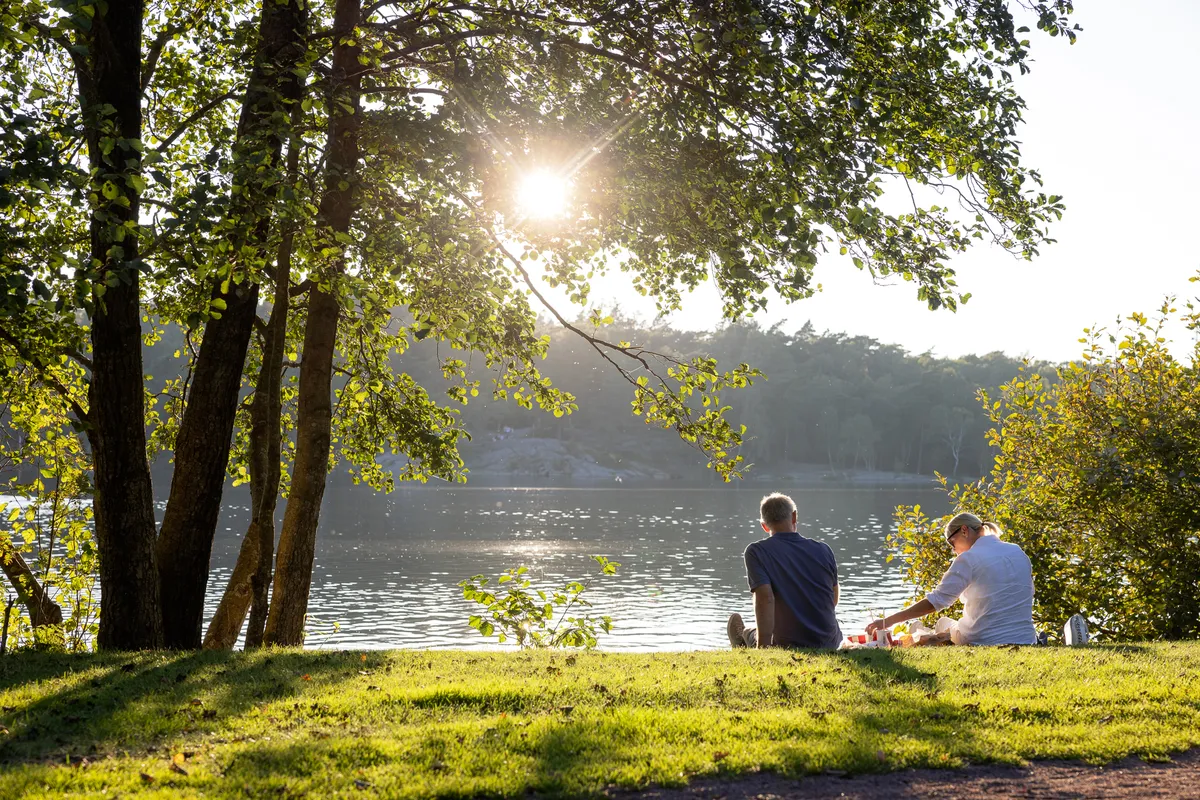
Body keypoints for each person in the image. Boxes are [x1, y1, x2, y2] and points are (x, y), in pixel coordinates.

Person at [866, 512, 1037, 646]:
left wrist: (887, 621)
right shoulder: (1017, 552)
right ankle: (922, 632)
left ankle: (918, 631)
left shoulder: (969, 559)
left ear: (964, 530)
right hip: (1026, 638)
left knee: (942, 623)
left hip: (985, 639)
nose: (954, 550)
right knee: (947, 626)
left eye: (952, 543)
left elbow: (936, 602)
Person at [726, 493, 842, 649]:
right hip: (829, 642)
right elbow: (832, 599)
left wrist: (764, 649)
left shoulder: (757, 552)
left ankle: (742, 639)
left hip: (787, 645)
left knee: (751, 633)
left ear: (764, 526)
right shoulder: (824, 550)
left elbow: (765, 599)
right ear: (794, 517)